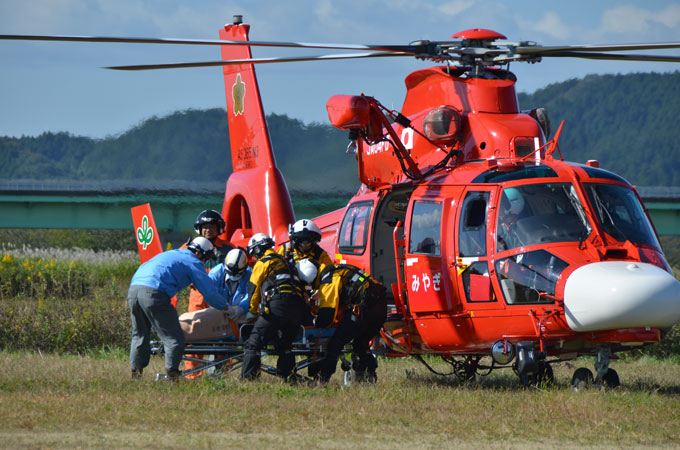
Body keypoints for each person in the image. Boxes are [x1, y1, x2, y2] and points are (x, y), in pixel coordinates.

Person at [127, 237, 229, 380]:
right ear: (200, 254)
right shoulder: (193, 261)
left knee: (139, 335)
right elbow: (210, 293)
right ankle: (172, 375)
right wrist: (226, 307)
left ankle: (136, 374)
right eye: (206, 258)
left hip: (134, 290)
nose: (204, 262)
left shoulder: (175, 253)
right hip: (155, 292)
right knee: (173, 337)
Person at [241, 233, 307, 381]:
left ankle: (248, 380)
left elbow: (254, 289)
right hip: (297, 308)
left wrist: (252, 312)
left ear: (257, 249)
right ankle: (288, 377)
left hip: (278, 305)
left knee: (253, 343)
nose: (255, 257)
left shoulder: (263, 262)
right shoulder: (287, 262)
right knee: (285, 344)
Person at [313, 264, 387, 384]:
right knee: (361, 343)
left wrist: (317, 322)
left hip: (364, 307)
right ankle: (368, 376)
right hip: (380, 305)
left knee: (335, 344)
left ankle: (323, 379)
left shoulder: (330, 277)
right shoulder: (342, 270)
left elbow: (328, 313)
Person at [182, 209, 233, 376]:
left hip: (220, 296)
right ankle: (193, 375)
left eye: (211, 226)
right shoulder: (188, 247)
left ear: (219, 228)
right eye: (205, 227)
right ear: (199, 229)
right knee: (193, 335)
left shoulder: (228, 249)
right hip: (198, 297)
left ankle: (222, 374)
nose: (208, 230)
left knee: (223, 334)